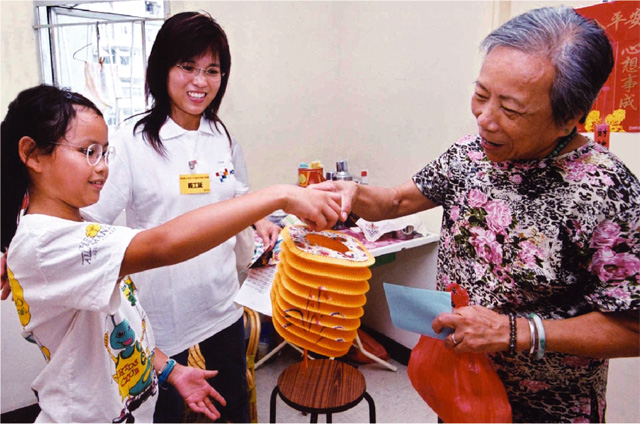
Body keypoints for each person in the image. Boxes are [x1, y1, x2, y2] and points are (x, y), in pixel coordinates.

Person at [313, 6, 639, 422]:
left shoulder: (606, 191)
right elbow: (396, 202)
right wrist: (351, 193)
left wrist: (512, 332)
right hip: (459, 384)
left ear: (570, 119)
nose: (485, 119)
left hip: (546, 409)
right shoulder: (470, 155)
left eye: (511, 109)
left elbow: (633, 326)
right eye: (481, 95)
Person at [0, 84, 341, 422]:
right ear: (32, 154)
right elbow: (163, 243)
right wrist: (279, 195)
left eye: (105, 152)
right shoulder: (45, 242)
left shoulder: (78, 225)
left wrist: (169, 369)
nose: (103, 166)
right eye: (88, 152)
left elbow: (117, 323)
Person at [78, 11, 281, 422]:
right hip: (160, 323)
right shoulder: (131, 142)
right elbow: (86, 218)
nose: (199, 81)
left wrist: (259, 219)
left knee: (231, 411)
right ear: (161, 68)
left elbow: (237, 196)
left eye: (212, 70)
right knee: (163, 416)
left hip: (223, 309)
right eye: (187, 66)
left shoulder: (222, 137)